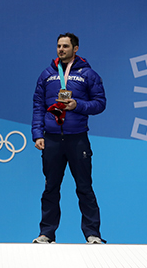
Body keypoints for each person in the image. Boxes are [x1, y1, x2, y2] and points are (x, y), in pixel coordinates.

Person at [31, 33, 106, 244]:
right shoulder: (46, 75)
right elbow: (38, 106)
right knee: (50, 188)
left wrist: (78, 105)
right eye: (58, 46)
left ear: (76, 48)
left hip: (77, 139)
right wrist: (38, 134)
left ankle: (93, 234)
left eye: (65, 46)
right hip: (52, 139)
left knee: (85, 187)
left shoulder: (88, 75)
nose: (61, 49)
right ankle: (46, 233)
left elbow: (100, 103)